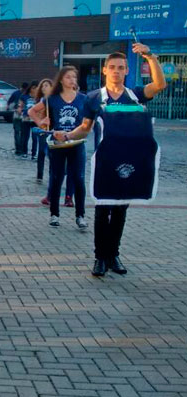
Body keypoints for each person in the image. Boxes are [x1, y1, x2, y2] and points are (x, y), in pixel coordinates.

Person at [59, 47, 166, 276]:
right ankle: (100, 258)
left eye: (121, 68)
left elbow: (159, 85)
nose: (117, 72)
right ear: (105, 70)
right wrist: (67, 135)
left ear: (127, 71)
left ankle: (113, 255)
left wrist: (150, 57)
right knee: (102, 209)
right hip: (105, 162)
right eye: (113, 68)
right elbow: (85, 128)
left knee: (120, 211)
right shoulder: (94, 98)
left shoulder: (135, 95)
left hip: (130, 161)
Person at [29, 67, 87, 229]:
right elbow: (32, 111)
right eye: (68, 77)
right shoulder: (52, 99)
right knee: (56, 177)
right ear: (61, 79)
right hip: (58, 143)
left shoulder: (83, 98)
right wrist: (41, 123)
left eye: (74, 77)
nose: (72, 80)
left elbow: (90, 119)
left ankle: (80, 215)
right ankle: (54, 214)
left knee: (79, 178)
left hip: (76, 143)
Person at [17, 81, 38, 159]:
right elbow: (20, 105)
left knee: (35, 138)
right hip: (26, 118)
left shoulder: (39, 97)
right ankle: (24, 152)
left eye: (36, 88)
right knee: (25, 137)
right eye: (33, 88)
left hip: (35, 120)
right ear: (30, 88)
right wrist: (20, 109)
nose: (35, 90)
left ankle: (34, 154)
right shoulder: (24, 96)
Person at [9, 82, 28, 155]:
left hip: (17, 114)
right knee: (22, 133)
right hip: (23, 115)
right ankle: (21, 149)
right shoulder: (27, 95)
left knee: (17, 132)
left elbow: (10, 102)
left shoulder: (16, 93)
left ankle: (18, 149)